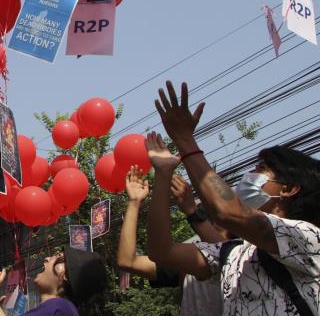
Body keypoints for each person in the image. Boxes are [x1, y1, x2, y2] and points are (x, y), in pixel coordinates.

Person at [147, 81, 320, 315]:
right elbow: (162, 251)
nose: (249, 176)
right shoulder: (235, 252)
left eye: (260, 169)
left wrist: (184, 139)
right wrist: (163, 174)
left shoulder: (307, 238)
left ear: (288, 189)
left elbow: (227, 211)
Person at [119, 165, 224, 315]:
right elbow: (127, 261)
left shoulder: (247, 256)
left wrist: (192, 212)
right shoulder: (188, 265)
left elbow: (225, 254)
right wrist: (134, 202)